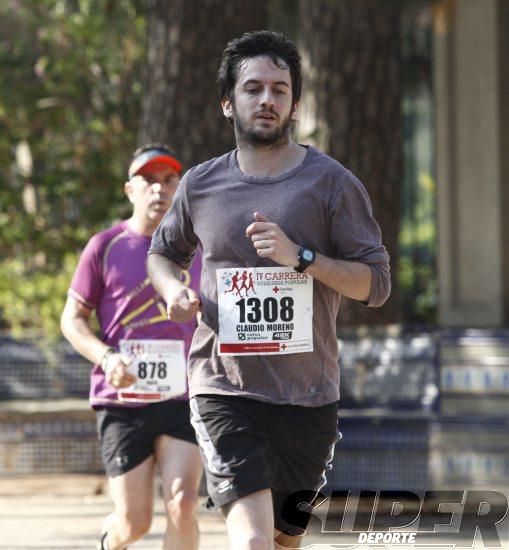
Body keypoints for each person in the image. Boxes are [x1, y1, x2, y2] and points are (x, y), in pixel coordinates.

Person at [147, 30, 390, 550]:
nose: (267, 99)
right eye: (253, 88)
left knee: (283, 541)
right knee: (253, 541)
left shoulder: (331, 184)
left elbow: (376, 284)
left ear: (295, 104)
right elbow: (163, 254)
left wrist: (301, 258)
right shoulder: (200, 184)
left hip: (307, 396)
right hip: (223, 387)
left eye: (280, 90)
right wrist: (172, 290)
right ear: (228, 103)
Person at [60, 144, 202, 550]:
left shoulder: (199, 250)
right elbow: (71, 319)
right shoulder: (104, 246)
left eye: (168, 180)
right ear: (129, 190)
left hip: (184, 395)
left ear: (180, 188)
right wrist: (106, 357)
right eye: (148, 180)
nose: (159, 189)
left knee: (184, 503)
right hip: (123, 399)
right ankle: (111, 539)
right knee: (134, 523)